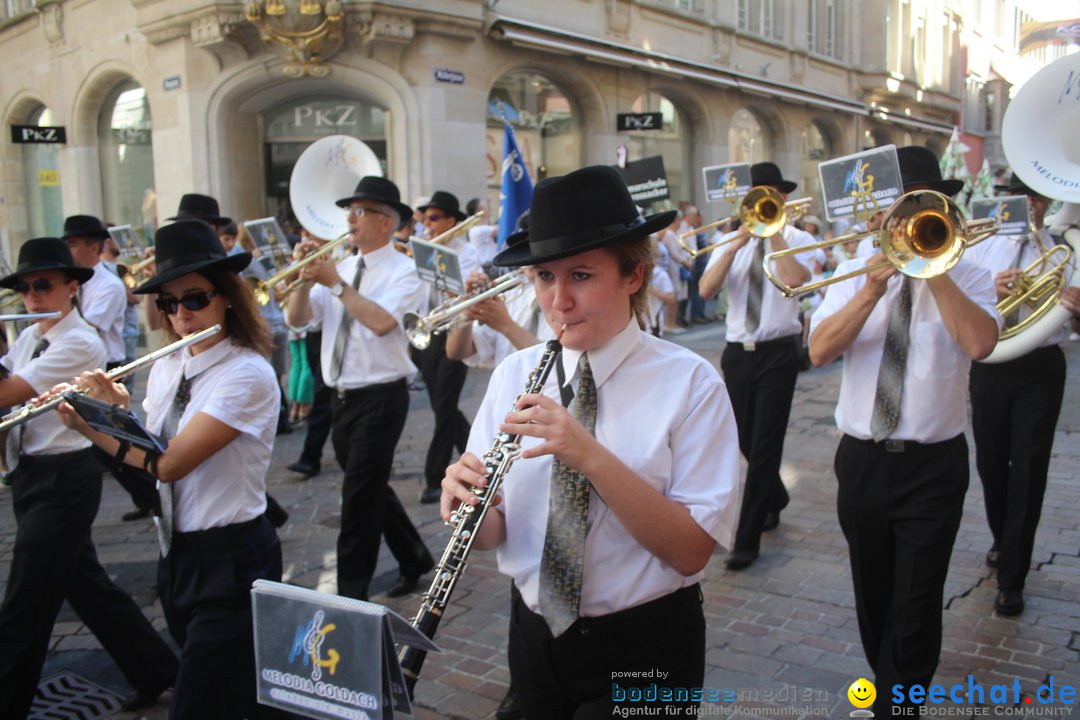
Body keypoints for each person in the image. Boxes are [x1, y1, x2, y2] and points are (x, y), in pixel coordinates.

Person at [441, 165, 740, 719]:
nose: (558, 301)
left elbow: (691, 549)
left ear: (634, 275)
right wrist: (465, 503)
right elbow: (493, 534)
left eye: (580, 275)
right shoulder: (514, 374)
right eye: (543, 278)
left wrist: (589, 455)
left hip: (645, 644)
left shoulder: (691, 383)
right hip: (533, 632)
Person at [57, 220, 296, 719]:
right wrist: (116, 410)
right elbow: (152, 443)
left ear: (227, 295)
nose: (182, 316)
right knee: (234, 695)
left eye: (195, 299)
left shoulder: (246, 373)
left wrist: (88, 425)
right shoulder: (167, 366)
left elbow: (167, 465)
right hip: (177, 551)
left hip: (232, 558)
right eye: (168, 303)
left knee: (196, 703)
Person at [807, 146, 1001, 716]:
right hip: (862, 459)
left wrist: (932, 267)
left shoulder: (971, 273)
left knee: (916, 603)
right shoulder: (850, 272)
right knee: (874, 594)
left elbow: (981, 343)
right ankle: (891, 684)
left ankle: (900, 703)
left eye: (921, 208)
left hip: (932, 465)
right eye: (900, 210)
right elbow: (818, 350)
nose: (907, 221)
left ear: (943, 209)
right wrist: (871, 289)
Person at [0, 237, 178, 719]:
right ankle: (154, 668)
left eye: (43, 286)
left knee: (24, 604)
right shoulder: (30, 336)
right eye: (25, 289)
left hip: (64, 479)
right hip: (32, 474)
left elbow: (8, 392)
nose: (32, 296)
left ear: (71, 289)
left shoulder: (78, 340)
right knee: (87, 589)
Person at [285, 175, 434, 601]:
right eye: (349, 211)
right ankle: (414, 556)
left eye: (360, 211)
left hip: (382, 397)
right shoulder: (343, 268)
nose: (350, 219)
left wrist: (334, 283)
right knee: (370, 488)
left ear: (387, 222)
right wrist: (301, 280)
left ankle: (350, 600)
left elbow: (383, 322)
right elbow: (298, 321)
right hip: (341, 398)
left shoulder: (406, 271)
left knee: (357, 502)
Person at [966, 172, 1080, 615]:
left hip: (1041, 366)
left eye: (1038, 197)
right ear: (1009, 197)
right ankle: (1002, 537)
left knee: (1029, 468)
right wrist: (990, 293)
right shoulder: (979, 245)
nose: (1030, 204)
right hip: (991, 362)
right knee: (991, 464)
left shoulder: (1063, 248)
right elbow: (961, 304)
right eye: (1023, 196)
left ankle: (1013, 575)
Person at [698, 162, 814, 570]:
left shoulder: (798, 237)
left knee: (765, 445)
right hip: (737, 351)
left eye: (771, 195)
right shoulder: (731, 240)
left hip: (777, 351)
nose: (765, 201)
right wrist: (736, 243)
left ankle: (746, 539)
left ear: (782, 198)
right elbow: (707, 289)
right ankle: (775, 496)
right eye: (757, 196)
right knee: (742, 438)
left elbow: (796, 280)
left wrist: (775, 232)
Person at [64, 215, 161, 523]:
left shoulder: (107, 284)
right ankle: (151, 496)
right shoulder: (80, 284)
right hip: (88, 366)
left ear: (93, 247)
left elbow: (88, 329)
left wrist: (63, 300)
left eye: (73, 244)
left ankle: (155, 495)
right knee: (107, 447)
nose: (68, 250)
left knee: (113, 443)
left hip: (109, 367)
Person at [415, 190, 479, 505]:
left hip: (455, 333)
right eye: (425, 217)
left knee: (443, 406)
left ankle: (433, 476)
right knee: (444, 405)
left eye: (434, 217)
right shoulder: (423, 248)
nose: (427, 223)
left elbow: (462, 292)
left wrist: (440, 264)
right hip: (426, 334)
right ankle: (474, 448)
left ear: (451, 221)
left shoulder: (464, 252)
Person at [286, 230, 334, 478]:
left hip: (328, 333)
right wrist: (299, 279)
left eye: (312, 234)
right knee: (323, 397)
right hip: (313, 334)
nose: (307, 239)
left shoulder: (335, 264)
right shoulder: (315, 263)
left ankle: (310, 456)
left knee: (322, 397)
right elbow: (294, 318)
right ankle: (311, 455)